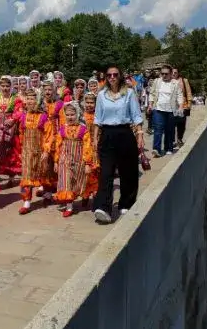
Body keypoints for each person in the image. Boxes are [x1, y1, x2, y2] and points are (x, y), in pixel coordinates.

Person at [92, 64, 145, 224]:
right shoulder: (102, 95)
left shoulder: (129, 93)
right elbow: (98, 118)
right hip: (107, 134)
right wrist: (95, 138)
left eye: (115, 74)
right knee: (106, 172)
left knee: (127, 171)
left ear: (120, 76)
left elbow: (136, 116)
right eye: (109, 75)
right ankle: (104, 207)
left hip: (125, 133)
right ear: (106, 77)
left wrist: (140, 135)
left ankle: (126, 202)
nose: (112, 77)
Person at [53, 101, 94, 218]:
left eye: (72, 115)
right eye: (68, 115)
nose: (70, 117)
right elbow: (58, 146)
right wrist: (56, 161)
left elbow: (87, 147)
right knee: (66, 182)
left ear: (78, 114)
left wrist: (87, 163)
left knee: (78, 182)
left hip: (78, 160)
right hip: (64, 160)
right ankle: (69, 206)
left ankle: (85, 196)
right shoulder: (62, 129)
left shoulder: (83, 129)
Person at [17, 88, 53, 215]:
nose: (30, 101)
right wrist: (21, 149)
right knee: (27, 175)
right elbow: (21, 133)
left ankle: (48, 194)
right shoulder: (23, 116)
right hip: (27, 150)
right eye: (28, 99)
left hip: (40, 150)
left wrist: (46, 150)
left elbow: (49, 134)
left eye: (33, 98)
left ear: (37, 100)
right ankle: (26, 202)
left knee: (43, 172)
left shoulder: (43, 117)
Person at [147, 65, 184, 157]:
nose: (164, 75)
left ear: (171, 74)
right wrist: (150, 105)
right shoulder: (157, 81)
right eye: (162, 73)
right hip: (158, 109)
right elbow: (152, 93)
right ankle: (156, 149)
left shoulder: (175, 83)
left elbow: (179, 95)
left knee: (169, 130)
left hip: (171, 110)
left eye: (166, 74)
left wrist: (180, 106)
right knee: (158, 129)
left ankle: (169, 148)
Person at [171, 67, 193, 147]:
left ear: (178, 73)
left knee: (181, 124)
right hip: (171, 106)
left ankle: (179, 139)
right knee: (171, 124)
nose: (174, 74)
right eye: (172, 72)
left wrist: (189, 103)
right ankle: (172, 141)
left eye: (175, 72)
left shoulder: (184, 81)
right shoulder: (168, 81)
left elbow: (188, 92)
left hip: (182, 105)